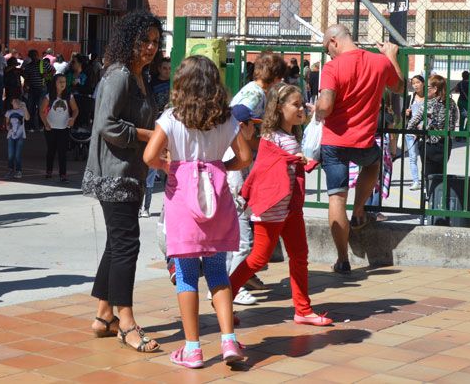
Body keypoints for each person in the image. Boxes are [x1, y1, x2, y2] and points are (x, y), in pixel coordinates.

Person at [142, 55, 255, 369]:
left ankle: (192, 348)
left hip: (182, 202)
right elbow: (245, 156)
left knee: (187, 275)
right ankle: (229, 339)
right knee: (218, 272)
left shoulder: (171, 118)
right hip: (217, 202)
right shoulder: (227, 119)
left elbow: (149, 155)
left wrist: (171, 166)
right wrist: (221, 166)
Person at [81, 10, 163, 352]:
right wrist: (150, 135)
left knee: (118, 244)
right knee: (127, 244)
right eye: (144, 40)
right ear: (128, 40)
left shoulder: (139, 76)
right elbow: (107, 126)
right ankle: (126, 321)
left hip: (129, 173)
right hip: (114, 175)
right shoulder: (119, 76)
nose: (149, 47)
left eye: (155, 42)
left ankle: (103, 316)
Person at [231, 84, 332, 328]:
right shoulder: (270, 137)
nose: (301, 109)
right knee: (258, 258)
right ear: (279, 107)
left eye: (301, 104)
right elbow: (265, 166)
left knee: (300, 256)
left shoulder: (293, 136)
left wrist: (300, 160)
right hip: (271, 209)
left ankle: (303, 310)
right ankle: (225, 296)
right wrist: (293, 159)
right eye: (295, 105)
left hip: (290, 209)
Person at [314, 24, 402, 275]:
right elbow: (399, 87)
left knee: (336, 197)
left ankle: (342, 259)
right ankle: (360, 208)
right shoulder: (379, 63)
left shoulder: (332, 67)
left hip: (334, 143)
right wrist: (391, 57)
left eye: (327, 49)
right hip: (364, 141)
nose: (328, 55)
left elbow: (326, 105)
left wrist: (317, 109)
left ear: (333, 41)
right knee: (373, 162)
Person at [226, 51, 286, 301]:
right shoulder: (254, 93)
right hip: (238, 165)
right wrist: (249, 142)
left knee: (241, 220)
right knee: (241, 227)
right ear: (276, 77)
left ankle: (243, 276)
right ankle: (231, 286)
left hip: (241, 164)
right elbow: (237, 116)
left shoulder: (255, 90)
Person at [407, 74, 460, 191]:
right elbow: (451, 126)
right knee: (440, 175)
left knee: (428, 175)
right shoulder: (451, 104)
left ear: (435, 89)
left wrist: (419, 132)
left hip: (428, 144)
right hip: (444, 144)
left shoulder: (428, 104)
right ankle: (437, 199)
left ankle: (429, 197)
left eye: (428, 87)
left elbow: (411, 124)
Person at [141, 57, 172, 217]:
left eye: (169, 68)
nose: (167, 71)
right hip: (157, 125)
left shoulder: (175, 84)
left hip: (172, 128)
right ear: (159, 69)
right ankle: (145, 206)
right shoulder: (152, 85)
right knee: (151, 168)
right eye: (165, 68)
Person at [42, 74, 78, 182]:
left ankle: (63, 174)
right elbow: (41, 111)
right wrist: (45, 123)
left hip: (64, 128)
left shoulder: (69, 96)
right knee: (51, 151)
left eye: (64, 82)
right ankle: (49, 171)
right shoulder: (48, 97)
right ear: (55, 83)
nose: (63, 84)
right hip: (50, 128)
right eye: (60, 82)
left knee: (62, 152)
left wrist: (73, 118)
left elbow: (75, 109)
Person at [404, 75, 426, 191]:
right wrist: (406, 112)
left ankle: (426, 181)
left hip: (424, 132)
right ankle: (416, 181)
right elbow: (403, 113)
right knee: (412, 157)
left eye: (418, 82)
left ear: (423, 83)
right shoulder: (411, 97)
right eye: (413, 83)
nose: (415, 85)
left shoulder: (429, 97)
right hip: (411, 131)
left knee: (425, 157)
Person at [23, 50, 49, 131]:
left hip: (42, 88)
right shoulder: (28, 66)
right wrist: (25, 83)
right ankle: (31, 126)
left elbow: (53, 70)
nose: (33, 58)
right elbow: (26, 76)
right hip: (32, 88)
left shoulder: (43, 63)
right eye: (31, 56)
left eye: (34, 56)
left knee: (41, 108)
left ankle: (42, 125)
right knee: (31, 108)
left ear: (37, 55)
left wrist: (46, 75)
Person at [4, 96, 28, 178]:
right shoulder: (9, 112)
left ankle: (18, 171)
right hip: (11, 135)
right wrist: (7, 126)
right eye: (14, 101)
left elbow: (28, 118)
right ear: (11, 103)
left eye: (18, 101)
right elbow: (6, 123)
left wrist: (24, 107)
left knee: (18, 154)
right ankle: (10, 170)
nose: (16, 103)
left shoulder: (22, 111)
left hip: (20, 135)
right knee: (10, 154)